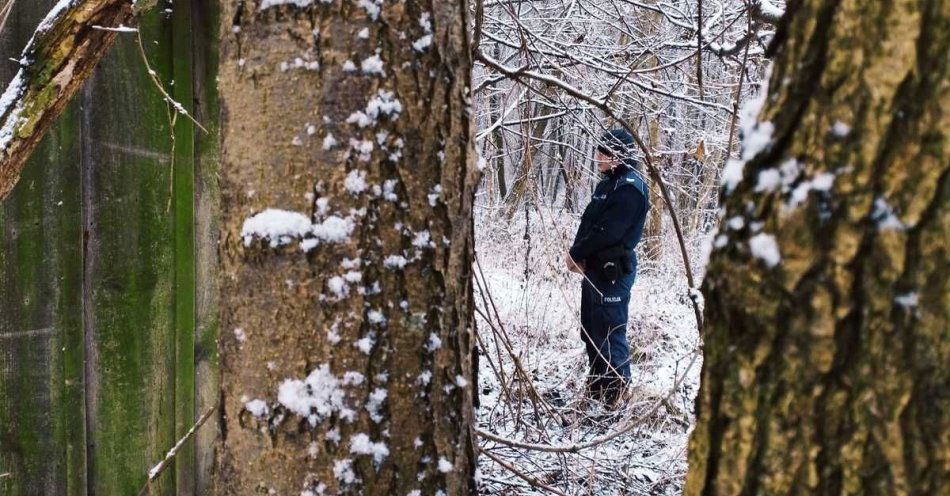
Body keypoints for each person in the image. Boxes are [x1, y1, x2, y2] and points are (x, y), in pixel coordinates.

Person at [566, 129, 650, 406]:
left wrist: (578, 252)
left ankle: (616, 394)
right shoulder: (606, 185)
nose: (598, 157)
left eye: (604, 152)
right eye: (598, 151)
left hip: (613, 272)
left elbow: (609, 232)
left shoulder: (630, 187)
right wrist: (576, 256)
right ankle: (598, 388)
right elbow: (589, 223)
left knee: (610, 330)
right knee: (590, 328)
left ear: (618, 156)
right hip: (594, 270)